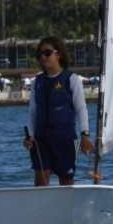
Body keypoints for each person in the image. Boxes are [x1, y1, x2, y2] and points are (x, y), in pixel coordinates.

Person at [23, 37, 94, 186]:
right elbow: (32, 111)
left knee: (66, 181)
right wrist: (29, 135)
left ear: (59, 54)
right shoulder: (37, 82)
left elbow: (81, 109)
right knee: (41, 181)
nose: (43, 57)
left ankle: (66, 208)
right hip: (40, 140)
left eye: (47, 53)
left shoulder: (72, 79)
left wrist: (85, 135)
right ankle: (41, 209)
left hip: (65, 139)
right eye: (40, 54)